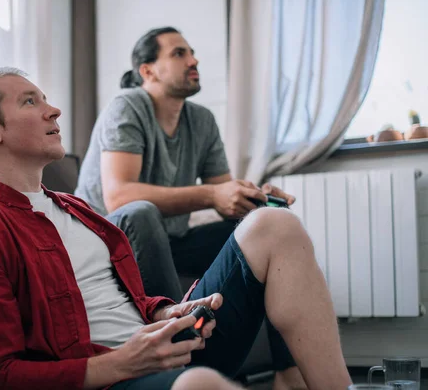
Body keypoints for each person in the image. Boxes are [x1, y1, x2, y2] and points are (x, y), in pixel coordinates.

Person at [0, 67, 352, 390]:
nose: (53, 109)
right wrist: (123, 362)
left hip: (163, 351)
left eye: (45, 98)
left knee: (273, 225)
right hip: (112, 378)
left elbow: (128, 299)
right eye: (30, 102)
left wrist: (168, 311)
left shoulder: (76, 211)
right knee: (201, 385)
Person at [74, 27, 304, 386]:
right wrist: (211, 196)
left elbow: (224, 195)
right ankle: (179, 356)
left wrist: (256, 200)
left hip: (168, 240)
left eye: (192, 53)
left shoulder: (202, 120)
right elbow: (119, 197)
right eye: (179, 53)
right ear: (148, 70)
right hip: (110, 250)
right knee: (141, 212)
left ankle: (289, 376)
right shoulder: (127, 106)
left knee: (266, 225)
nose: (193, 60)